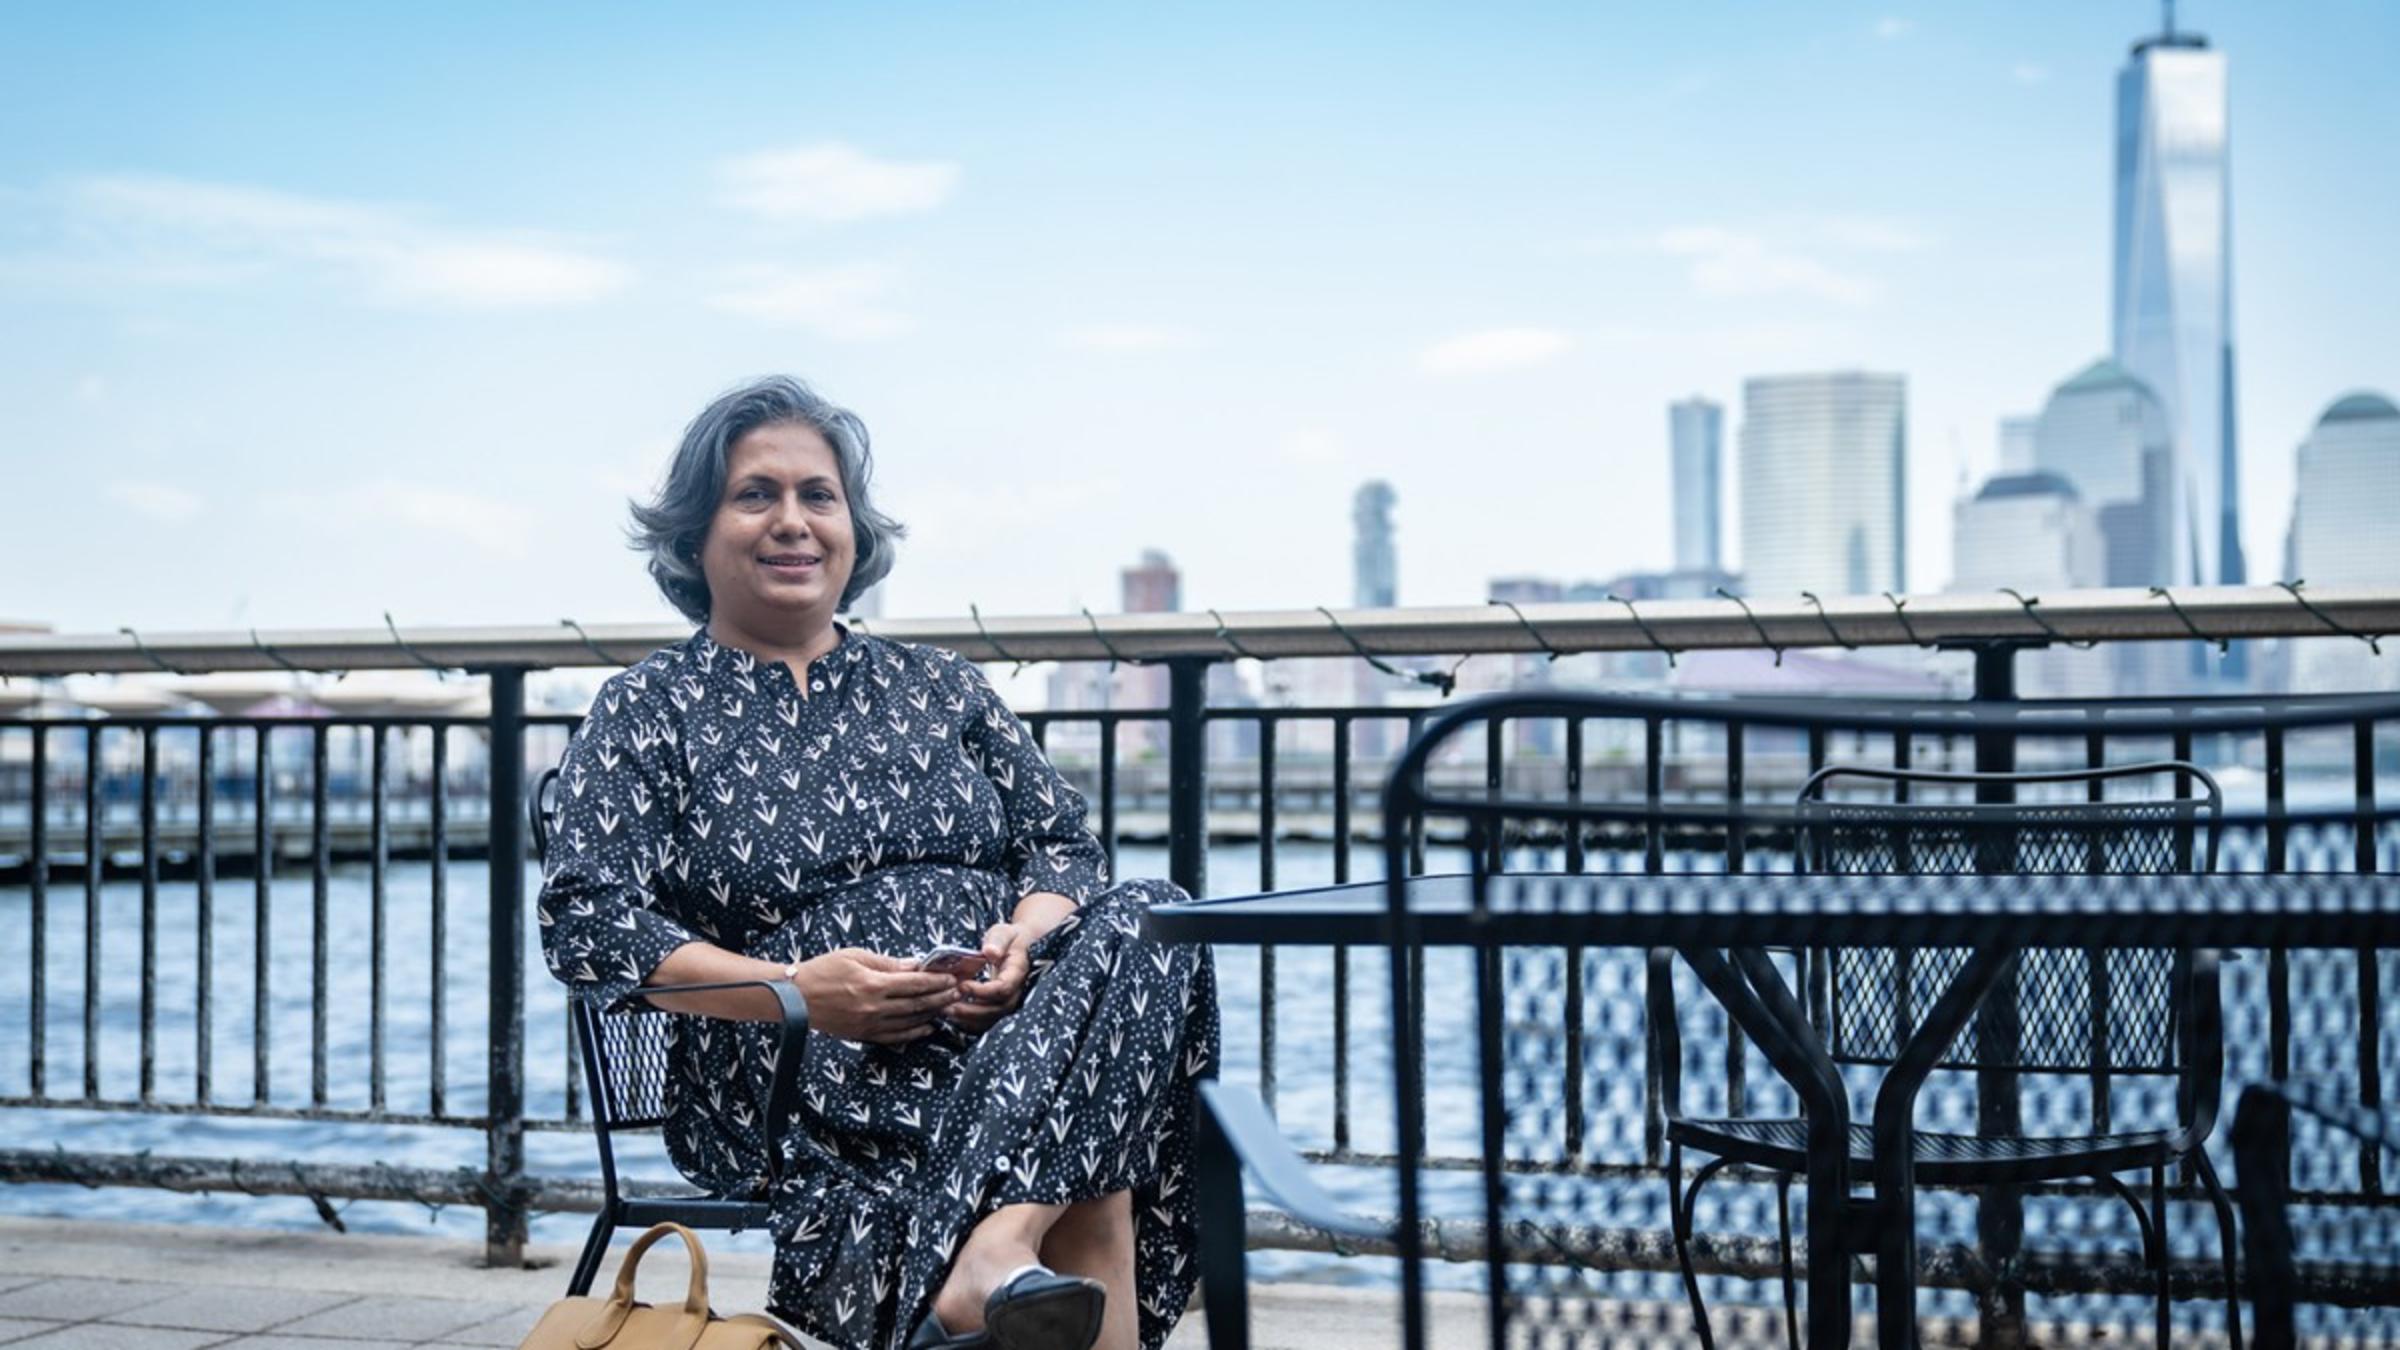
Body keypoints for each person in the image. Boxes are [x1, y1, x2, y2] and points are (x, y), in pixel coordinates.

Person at [537, 376, 1219, 1350]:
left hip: (1001, 1020)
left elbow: (1064, 846)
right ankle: (996, 1256)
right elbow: (589, 924)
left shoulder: (941, 686)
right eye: (754, 495)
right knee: (1096, 1153)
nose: (793, 521)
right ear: (694, 535)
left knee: (1153, 908)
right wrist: (797, 989)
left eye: (818, 495)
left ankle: (999, 1248)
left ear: (854, 530)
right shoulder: (650, 709)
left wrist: (1020, 944)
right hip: (785, 1056)